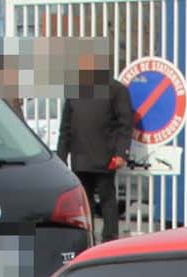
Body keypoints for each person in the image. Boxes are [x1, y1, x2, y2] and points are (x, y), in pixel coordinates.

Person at [56, 43, 133, 243]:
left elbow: (125, 125)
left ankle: (110, 240)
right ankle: (86, 239)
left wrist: (121, 153)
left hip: (106, 157)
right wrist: (61, 157)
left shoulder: (117, 90)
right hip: (80, 158)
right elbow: (65, 128)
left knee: (107, 199)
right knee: (84, 202)